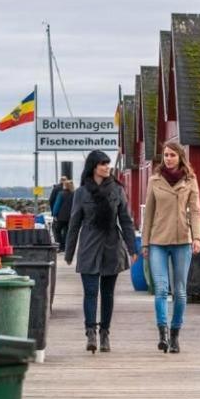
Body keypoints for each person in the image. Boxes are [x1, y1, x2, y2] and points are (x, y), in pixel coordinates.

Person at [64, 150, 137, 353]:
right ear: (93, 167)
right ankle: (90, 333)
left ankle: (105, 333)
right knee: (90, 292)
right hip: (88, 245)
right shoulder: (81, 193)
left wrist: (133, 248)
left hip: (112, 246)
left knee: (107, 293)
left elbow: (126, 220)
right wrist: (69, 253)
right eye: (102, 164)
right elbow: (74, 223)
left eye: (108, 163)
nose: (107, 167)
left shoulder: (117, 190)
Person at [141, 139, 200, 353]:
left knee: (180, 291)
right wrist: (145, 242)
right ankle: (163, 332)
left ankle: (176, 333)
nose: (168, 159)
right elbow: (148, 212)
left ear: (180, 157)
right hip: (158, 240)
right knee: (160, 288)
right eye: (165, 155)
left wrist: (197, 238)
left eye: (172, 155)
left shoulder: (190, 180)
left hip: (182, 240)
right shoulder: (154, 180)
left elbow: (195, 211)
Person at [51, 178, 74, 249]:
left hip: (61, 216)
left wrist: (54, 214)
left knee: (56, 230)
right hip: (70, 216)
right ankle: (65, 246)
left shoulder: (61, 194)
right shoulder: (74, 194)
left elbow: (57, 205)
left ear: (65, 186)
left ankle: (60, 246)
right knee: (67, 231)